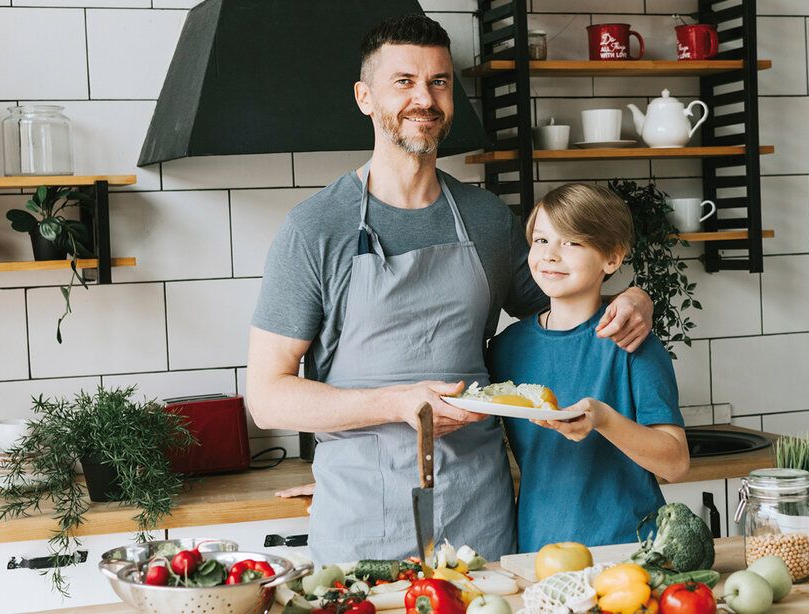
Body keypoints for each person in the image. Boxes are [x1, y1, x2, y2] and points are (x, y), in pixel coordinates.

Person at [245, 14, 654, 564]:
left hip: (477, 508)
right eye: (404, 82)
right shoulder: (315, 228)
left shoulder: (486, 219)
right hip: (363, 510)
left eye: (438, 82)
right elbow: (267, 398)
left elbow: (567, 313)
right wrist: (396, 402)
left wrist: (631, 296)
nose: (425, 98)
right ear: (365, 97)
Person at [486, 183, 690, 553]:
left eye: (572, 243)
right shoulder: (505, 349)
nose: (550, 255)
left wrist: (604, 419)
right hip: (537, 549)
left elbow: (676, 463)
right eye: (541, 240)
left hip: (630, 549)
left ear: (612, 259)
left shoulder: (631, 342)